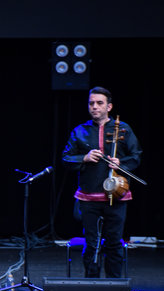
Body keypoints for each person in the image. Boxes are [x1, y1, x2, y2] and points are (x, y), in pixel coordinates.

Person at [62, 86, 141, 278]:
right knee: (92, 243)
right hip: (89, 196)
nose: (95, 107)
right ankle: (92, 286)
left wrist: (120, 162)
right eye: (91, 103)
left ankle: (114, 287)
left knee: (114, 242)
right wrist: (85, 158)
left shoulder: (123, 128)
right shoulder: (80, 131)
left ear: (109, 106)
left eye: (99, 103)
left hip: (116, 194)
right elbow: (66, 158)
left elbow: (136, 156)